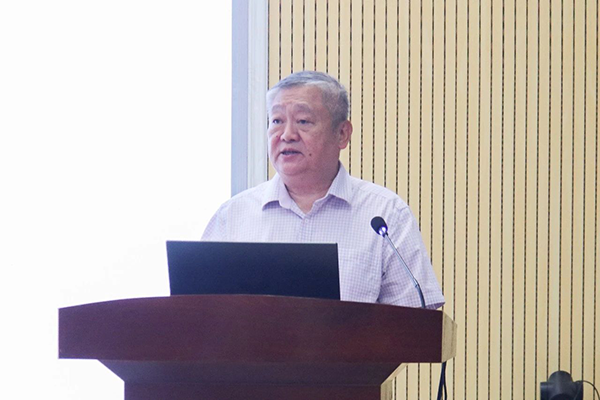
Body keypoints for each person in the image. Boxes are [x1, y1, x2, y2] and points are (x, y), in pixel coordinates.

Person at [203, 71, 444, 309]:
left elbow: (416, 321)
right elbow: (199, 313)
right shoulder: (233, 216)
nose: (287, 135)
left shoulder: (385, 215)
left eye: (303, 121)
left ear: (342, 134)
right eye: (276, 121)